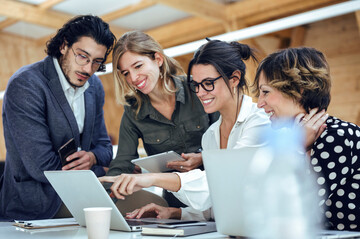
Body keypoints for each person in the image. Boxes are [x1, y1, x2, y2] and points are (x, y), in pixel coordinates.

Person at [100, 39, 271, 220]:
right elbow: (218, 200)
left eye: (208, 83)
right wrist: (176, 213)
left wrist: (151, 178)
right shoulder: (211, 136)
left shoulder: (259, 123)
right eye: (197, 85)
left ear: (234, 79)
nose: (200, 93)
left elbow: (221, 182)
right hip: (232, 224)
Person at [0, 15, 116, 221]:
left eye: (97, 62)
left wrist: (92, 158)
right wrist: (100, 170)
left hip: (85, 196)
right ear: (63, 46)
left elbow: (104, 148)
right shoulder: (26, 85)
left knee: (150, 207)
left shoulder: (94, 86)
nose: (88, 69)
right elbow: (42, 167)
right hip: (38, 205)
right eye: (82, 56)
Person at [104, 31, 219, 209]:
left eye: (138, 66)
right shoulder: (133, 112)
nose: (133, 79)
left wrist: (202, 157)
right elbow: (122, 163)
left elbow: (229, 146)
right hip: (174, 204)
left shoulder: (197, 89)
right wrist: (104, 193)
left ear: (158, 59)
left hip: (217, 192)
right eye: (125, 73)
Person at [253, 47, 360, 231]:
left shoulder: (335, 137)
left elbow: (292, 209)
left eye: (266, 92)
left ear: (299, 90)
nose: (259, 103)